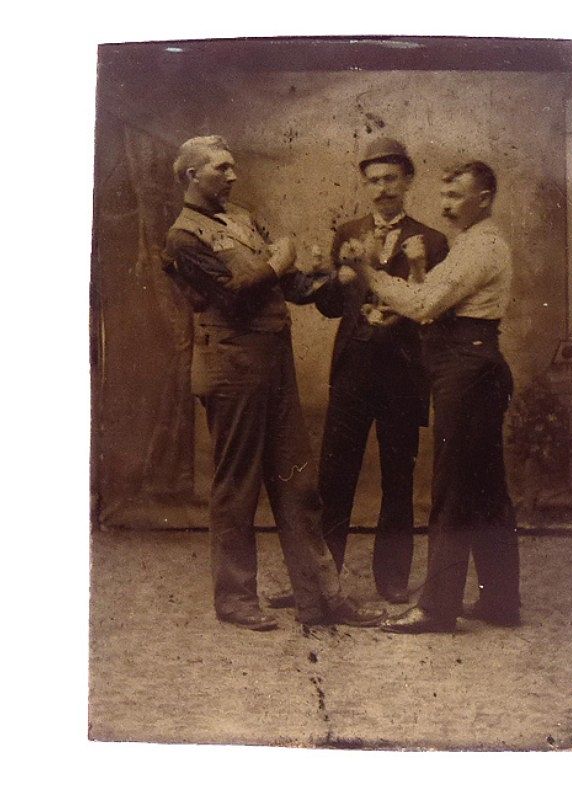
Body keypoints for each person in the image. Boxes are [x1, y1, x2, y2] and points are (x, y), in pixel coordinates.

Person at [162, 135, 384, 631]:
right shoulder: (183, 238)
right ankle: (236, 600)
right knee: (237, 486)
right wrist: (277, 261)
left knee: (299, 484)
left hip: (273, 363)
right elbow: (232, 297)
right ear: (191, 177)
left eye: (234, 166)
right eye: (222, 168)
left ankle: (323, 597)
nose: (234, 176)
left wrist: (333, 280)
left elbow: (289, 285)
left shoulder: (241, 217)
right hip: (231, 367)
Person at [350, 160, 520, 632]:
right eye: (443, 196)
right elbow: (434, 300)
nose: (445, 206)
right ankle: (501, 602)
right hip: (470, 367)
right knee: (486, 488)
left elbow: (425, 306)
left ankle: (437, 607)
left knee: (451, 489)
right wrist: (416, 274)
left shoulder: (481, 246)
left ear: (483, 198)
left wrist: (366, 271)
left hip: (467, 372)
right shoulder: (471, 243)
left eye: (457, 196)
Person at [309, 137, 449, 604]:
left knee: (398, 478)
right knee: (334, 477)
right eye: (373, 180)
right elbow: (329, 307)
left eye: (391, 178)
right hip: (352, 371)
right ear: (364, 185)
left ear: (408, 180)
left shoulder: (431, 240)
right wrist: (337, 277)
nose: (382, 189)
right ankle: (323, 581)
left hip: (403, 374)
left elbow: (434, 311)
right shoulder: (347, 231)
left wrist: (417, 271)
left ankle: (391, 582)